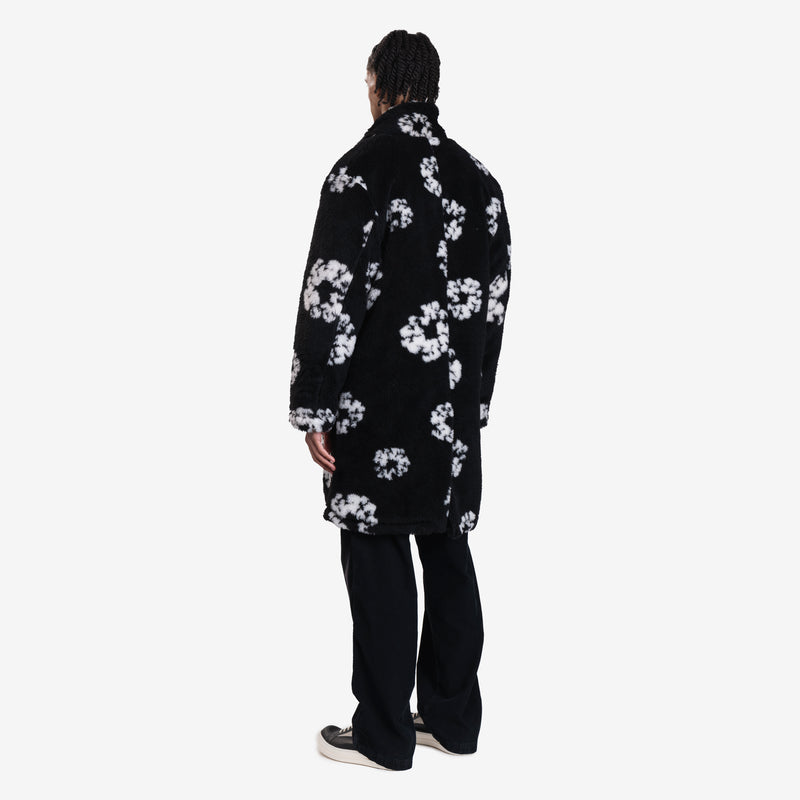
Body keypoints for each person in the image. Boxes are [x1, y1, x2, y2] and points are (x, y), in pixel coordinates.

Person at [288, 29, 512, 771]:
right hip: (450, 414)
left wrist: (314, 402)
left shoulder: (361, 171)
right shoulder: (481, 184)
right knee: (447, 549)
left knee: (378, 552)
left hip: (376, 405)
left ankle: (384, 735)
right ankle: (452, 720)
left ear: (378, 83)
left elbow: (330, 291)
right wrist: (474, 405)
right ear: (432, 87)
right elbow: (493, 308)